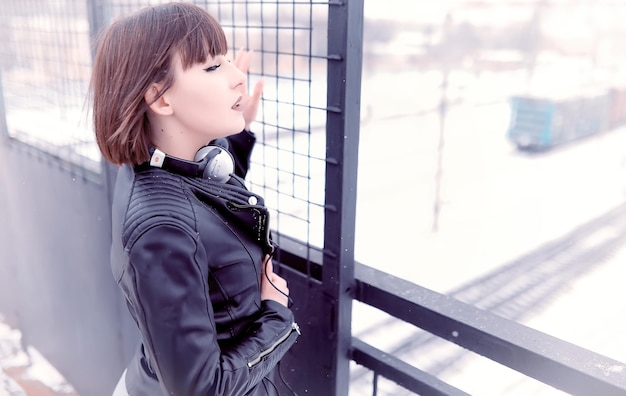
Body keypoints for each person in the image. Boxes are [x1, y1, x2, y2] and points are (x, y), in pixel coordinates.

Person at [89, 3, 300, 395]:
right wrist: (276, 315)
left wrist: (237, 130)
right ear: (161, 99)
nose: (238, 77)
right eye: (212, 67)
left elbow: (200, 196)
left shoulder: (158, 167)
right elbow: (201, 389)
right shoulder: (161, 230)